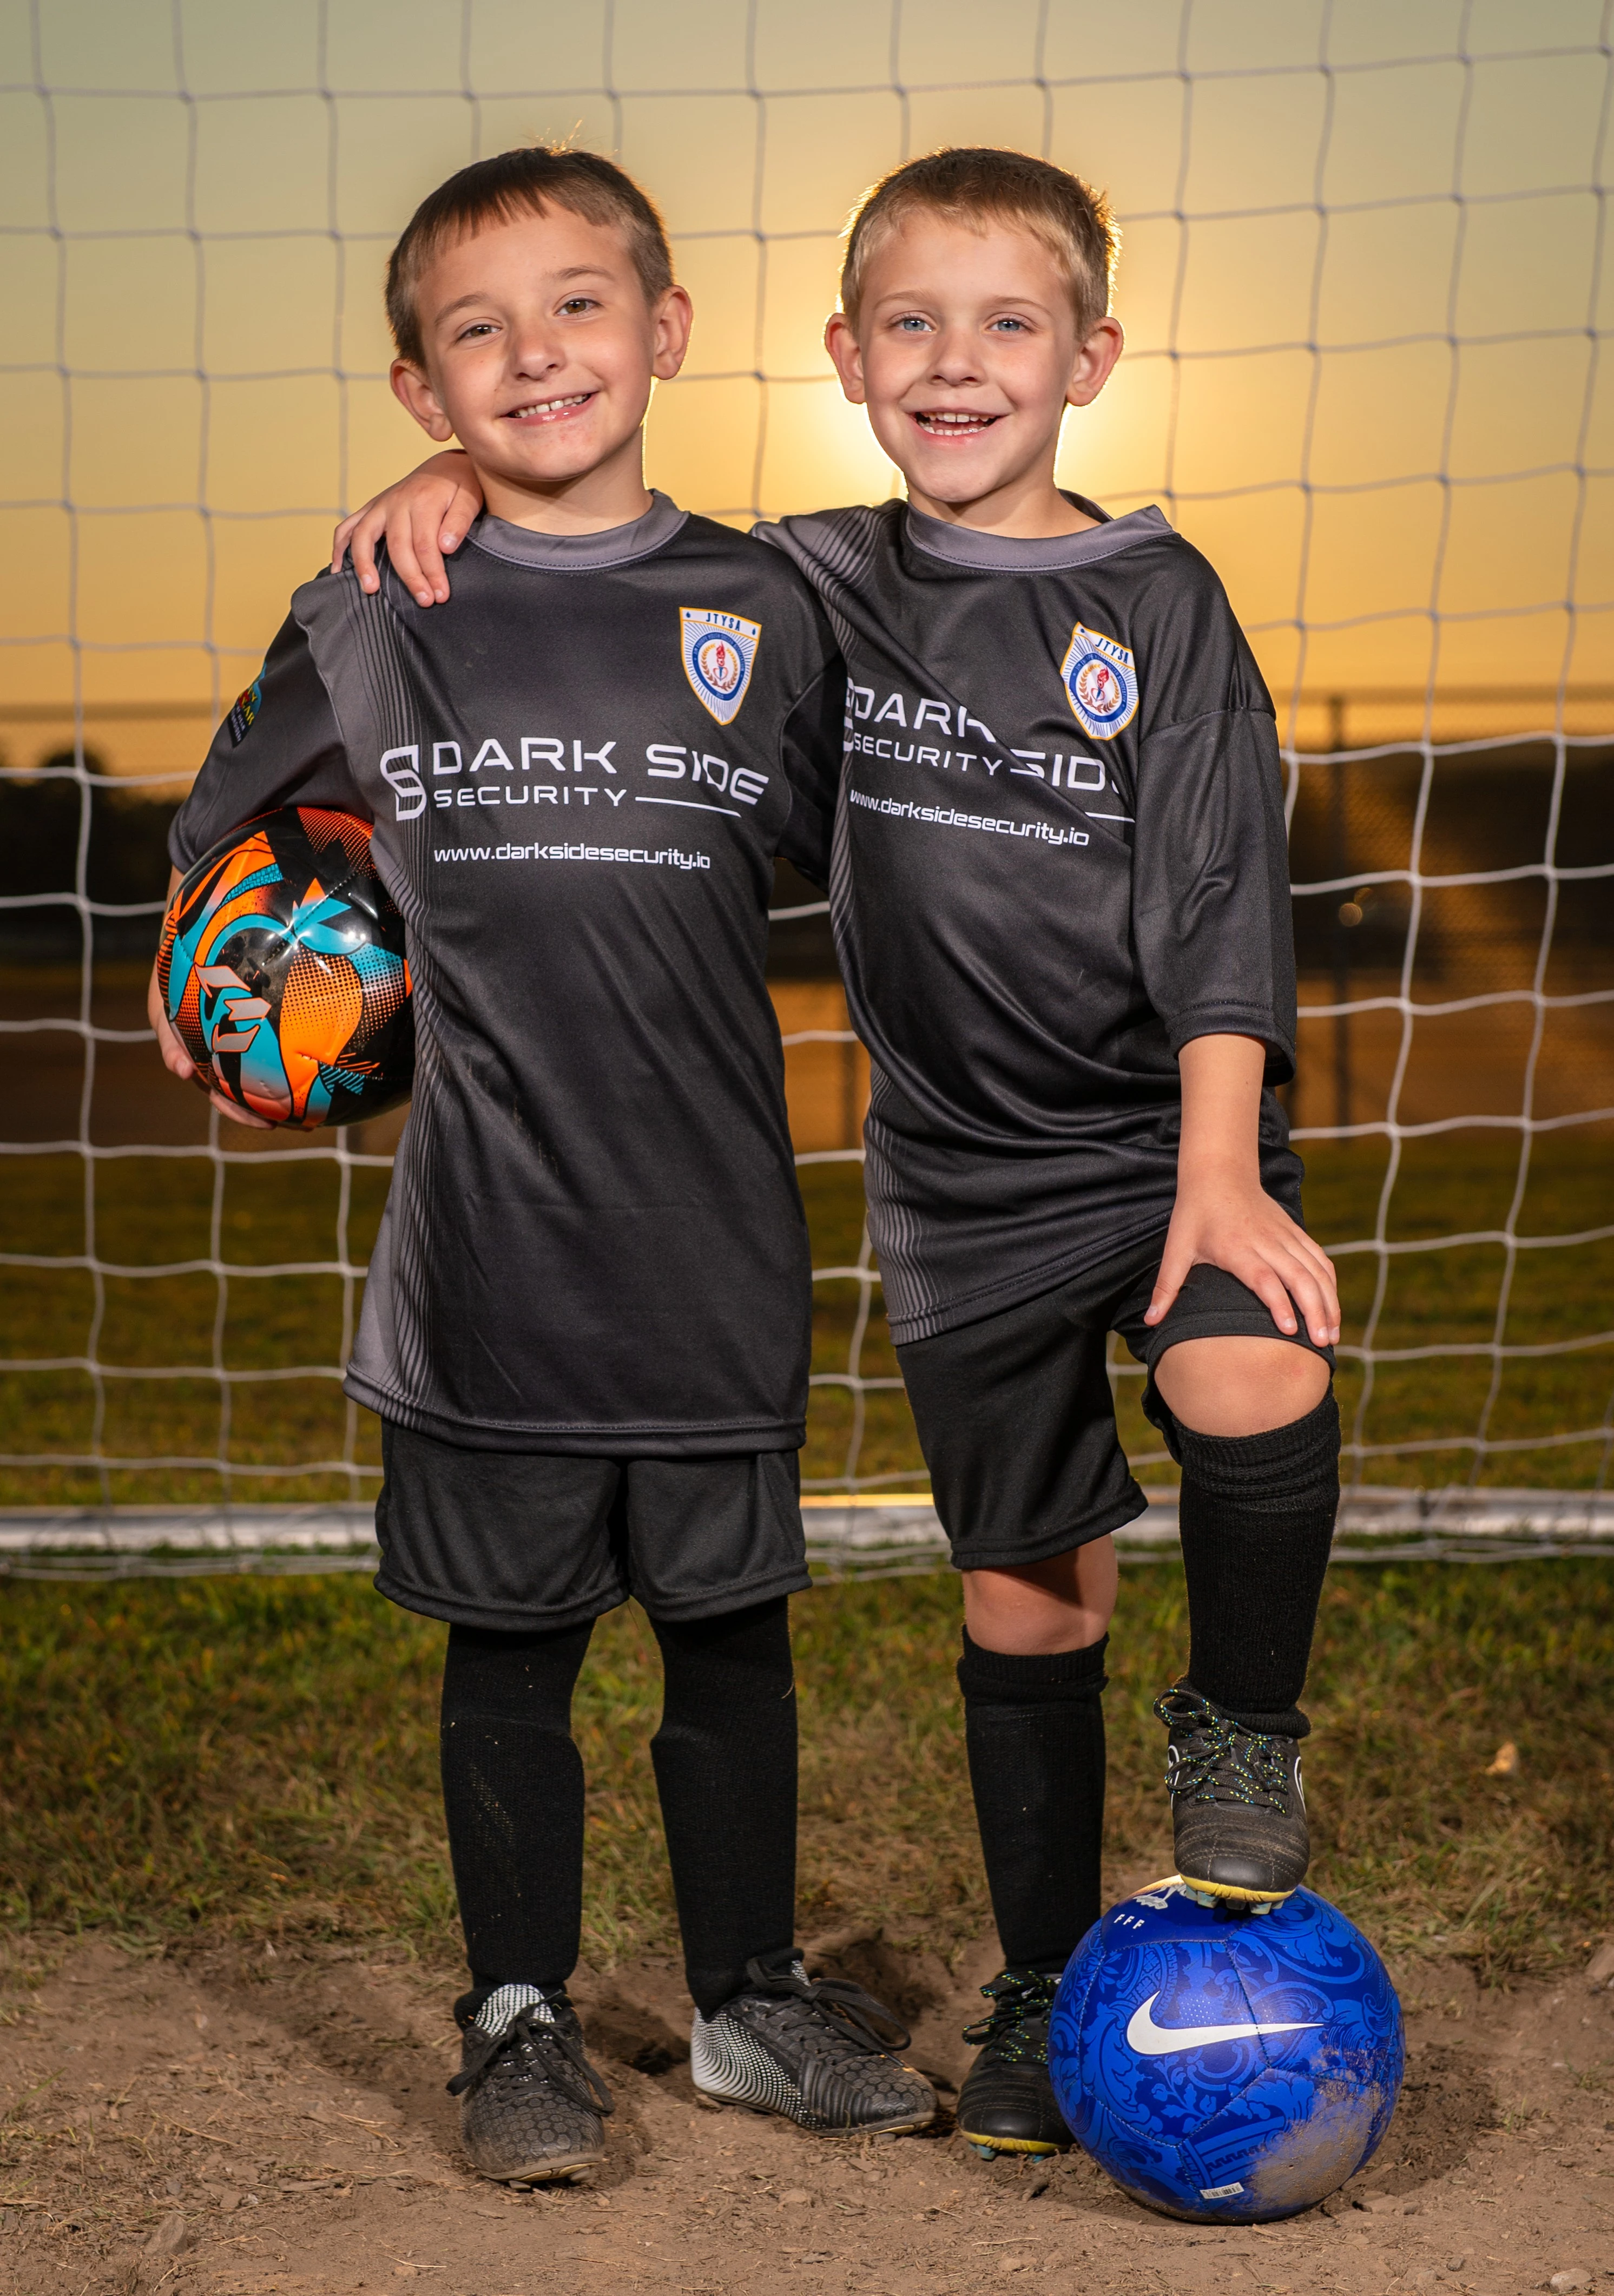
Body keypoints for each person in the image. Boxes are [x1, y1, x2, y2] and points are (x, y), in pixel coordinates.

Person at [332, 145, 1343, 2167]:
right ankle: (1050, 1990)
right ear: (844, 361)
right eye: (911, 325)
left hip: (1168, 1134)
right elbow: (606, 552)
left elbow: (1224, 891)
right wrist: (452, 482)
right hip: (953, 1176)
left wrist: (1223, 1172)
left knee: (1254, 1365)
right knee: (1026, 1604)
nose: (956, 366)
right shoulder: (813, 580)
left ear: (1090, 358)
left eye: (1005, 325)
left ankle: (1239, 1731)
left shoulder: (1155, 599)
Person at [149, 145, 936, 2188]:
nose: (535, 354)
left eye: (580, 304)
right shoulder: (374, 612)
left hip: (710, 1250)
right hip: (487, 1260)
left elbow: (905, 849)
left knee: (728, 1640)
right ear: (421, 391)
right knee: (507, 1659)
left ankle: (749, 2000)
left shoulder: (775, 608)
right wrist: (243, 1006)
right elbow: (212, 901)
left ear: (665, 333)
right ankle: (514, 2017)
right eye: (474, 330)